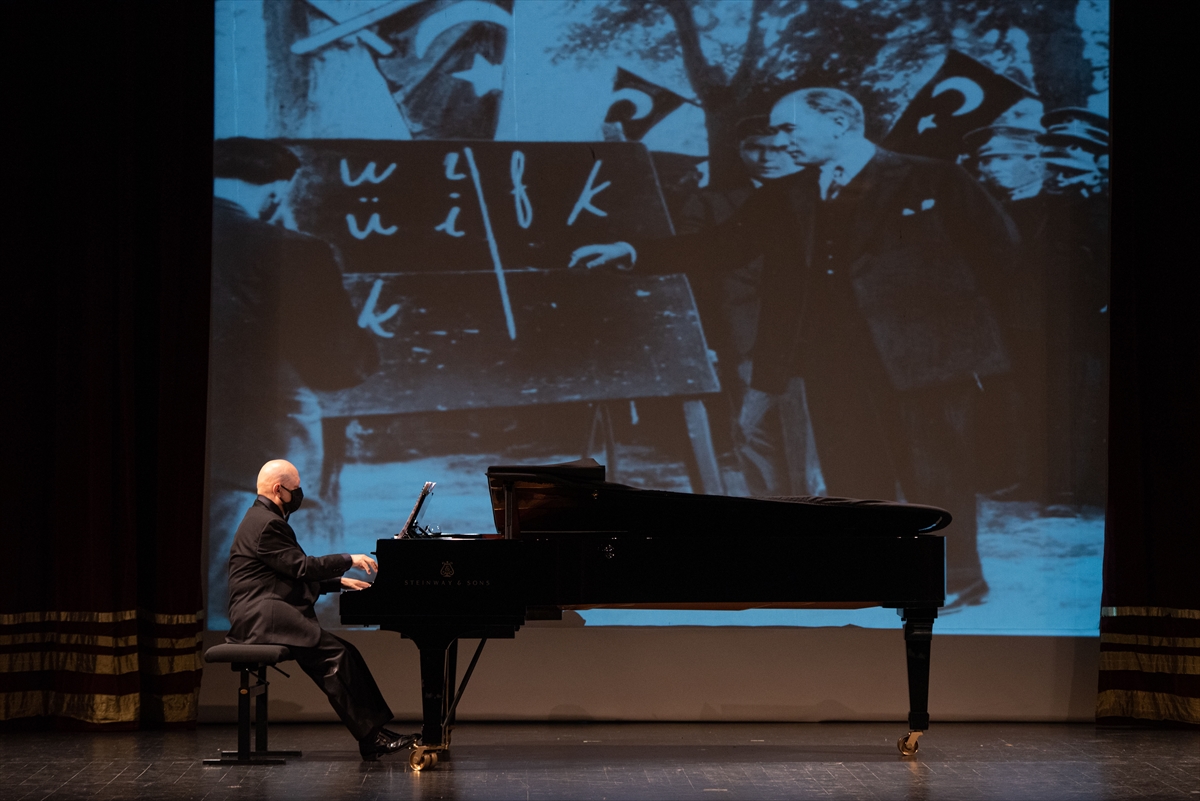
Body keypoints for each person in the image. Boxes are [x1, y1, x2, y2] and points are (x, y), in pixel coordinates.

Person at [571, 88, 1018, 609]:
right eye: (777, 132)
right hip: (833, 363)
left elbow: (1000, 254)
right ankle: (873, 572)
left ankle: (957, 577)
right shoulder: (788, 193)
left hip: (928, 360)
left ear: (839, 123)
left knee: (935, 466)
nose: (781, 141)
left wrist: (957, 334)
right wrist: (631, 251)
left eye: (789, 129)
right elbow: (722, 244)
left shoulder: (935, 178)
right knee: (854, 470)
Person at [208, 137, 378, 629]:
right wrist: (362, 337)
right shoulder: (295, 252)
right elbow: (337, 367)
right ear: (276, 192)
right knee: (270, 600)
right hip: (262, 442)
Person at [227, 459, 408, 761]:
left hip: (267, 609)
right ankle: (370, 736)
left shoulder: (262, 518)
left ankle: (374, 732)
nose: (299, 494)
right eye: (295, 488)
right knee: (335, 656)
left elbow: (286, 575)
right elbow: (302, 568)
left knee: (345, 652)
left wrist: (338, 583)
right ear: (278, 489)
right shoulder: (267, 524)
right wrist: (348, 558)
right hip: (259, 616)